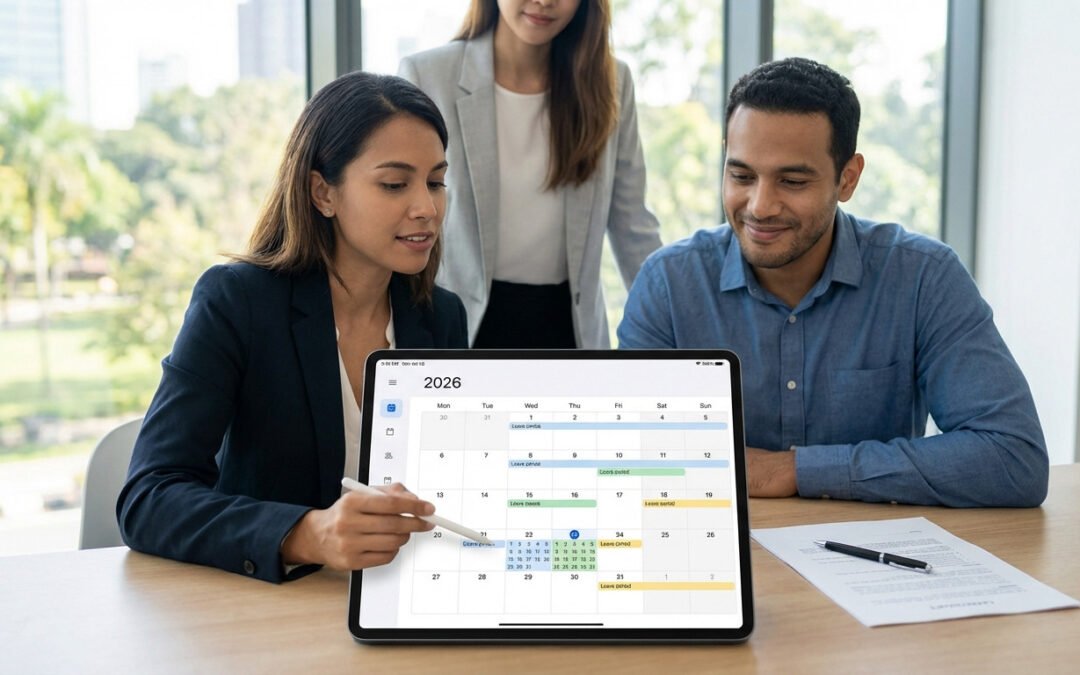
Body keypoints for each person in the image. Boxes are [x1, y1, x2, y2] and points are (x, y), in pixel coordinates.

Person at [618, 57, 1048, 507]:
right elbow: (629, 460)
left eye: (793, 180)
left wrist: (794, 469)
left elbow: (1014, 458)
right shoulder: (668, 285)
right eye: (741, 175)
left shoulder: (923, 278)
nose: (760, 206)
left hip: (875, 561)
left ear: (848, 178)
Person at [117, 72, 469, 582]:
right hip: (268, 614)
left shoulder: (440, 316)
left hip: (395, 597)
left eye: (436, 181)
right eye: (395, 184)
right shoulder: (237, 302)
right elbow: (148, 498)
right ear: (322, 192)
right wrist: (308, 533)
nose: (426, 208)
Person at [398, 0, 662, 348]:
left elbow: (633, 226)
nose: (545, 2)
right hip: (459, 325)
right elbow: (400, 214)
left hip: (570, 330)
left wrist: (676, 323)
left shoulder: (611, 81)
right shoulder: (428, 75)